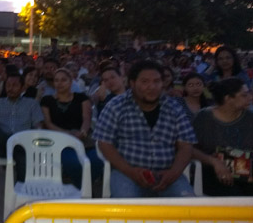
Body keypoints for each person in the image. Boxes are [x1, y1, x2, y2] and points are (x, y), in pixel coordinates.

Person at [93, 60, 197, 198]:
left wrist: (174, 173)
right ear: (132, 83)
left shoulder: (174, 108)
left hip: (167, 174)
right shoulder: (116, 106)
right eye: (145, 82)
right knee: (128, 211)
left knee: (189, 208)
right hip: (127, 173)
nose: (151, 86)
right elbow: (104, 143)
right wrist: (130, 171)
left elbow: (186, 145)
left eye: (157, 81)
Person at [41, 68, 103, 187]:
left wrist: (82, 132)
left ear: (71, 82)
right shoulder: (47, 100)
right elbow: (48, 124)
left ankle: (83, 188)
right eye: (56, 80)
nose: (59, 83)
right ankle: (84, 191)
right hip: (60, 139)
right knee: (73, 162)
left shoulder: (81, 98)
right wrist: (68, 135)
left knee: (96, 159)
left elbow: (87, 118)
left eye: (63, 80)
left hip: (83, 138)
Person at [192, 78, 253, 196]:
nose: (250, 97)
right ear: (228, 98)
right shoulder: (203, 118)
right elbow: (188, 148)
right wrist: (214, 162)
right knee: (233, 194)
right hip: (212, 170)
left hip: (245, 169)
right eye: (244, 95)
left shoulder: (250, 118)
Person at [0, 73, 44, 181]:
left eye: (14, 85)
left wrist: (36, 134)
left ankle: (16, 146)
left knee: (22, 149)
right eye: (8, 85)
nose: (10, 88)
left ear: (22, 88)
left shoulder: (31, 104)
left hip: (24, 145)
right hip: (0, 148)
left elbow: (38, 125)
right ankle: (14, 144)